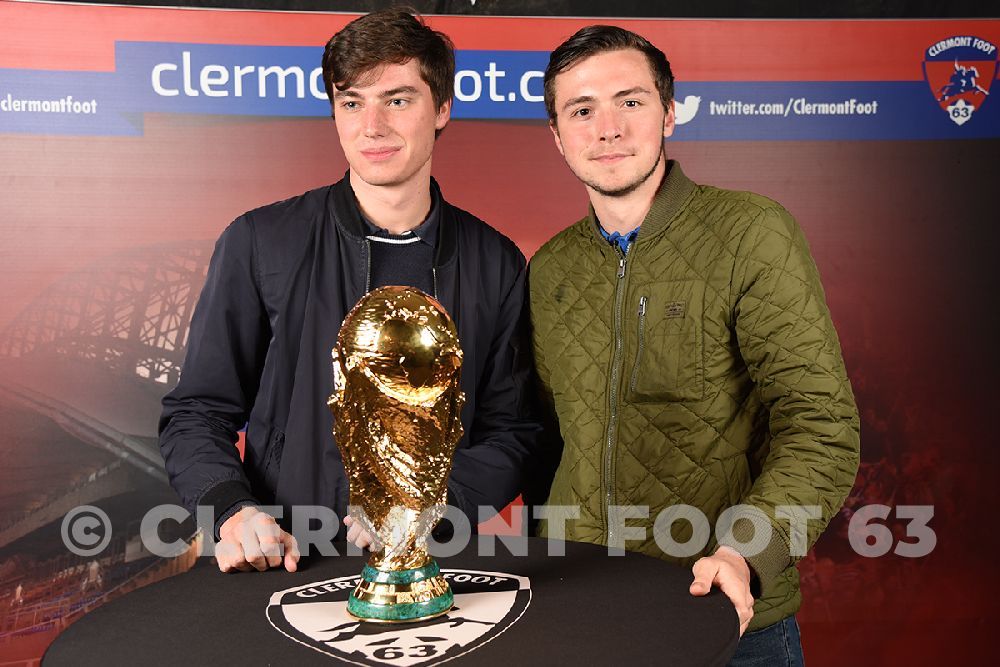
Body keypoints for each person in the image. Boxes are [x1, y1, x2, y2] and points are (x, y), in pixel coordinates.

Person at [159, 9, 540, 574]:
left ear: (442, 108)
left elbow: (513, 431)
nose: (372, 126)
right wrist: (231, 510)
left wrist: (439, 502)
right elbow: (197, 410)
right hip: (285, 561)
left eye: (398, 100)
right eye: (352, 102)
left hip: (431, 570)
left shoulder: (496, 261)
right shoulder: (261, 242)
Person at [529, 25, 860, 663]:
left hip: (723, 616)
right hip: (581, 618)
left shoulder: (751, 233)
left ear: (669, 114)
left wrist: (746, 553)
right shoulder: (550, 269)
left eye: (630, 102)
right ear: (558, 135)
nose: (608, 129)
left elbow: (822, 426)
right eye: (582, 110)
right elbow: (547, 447)